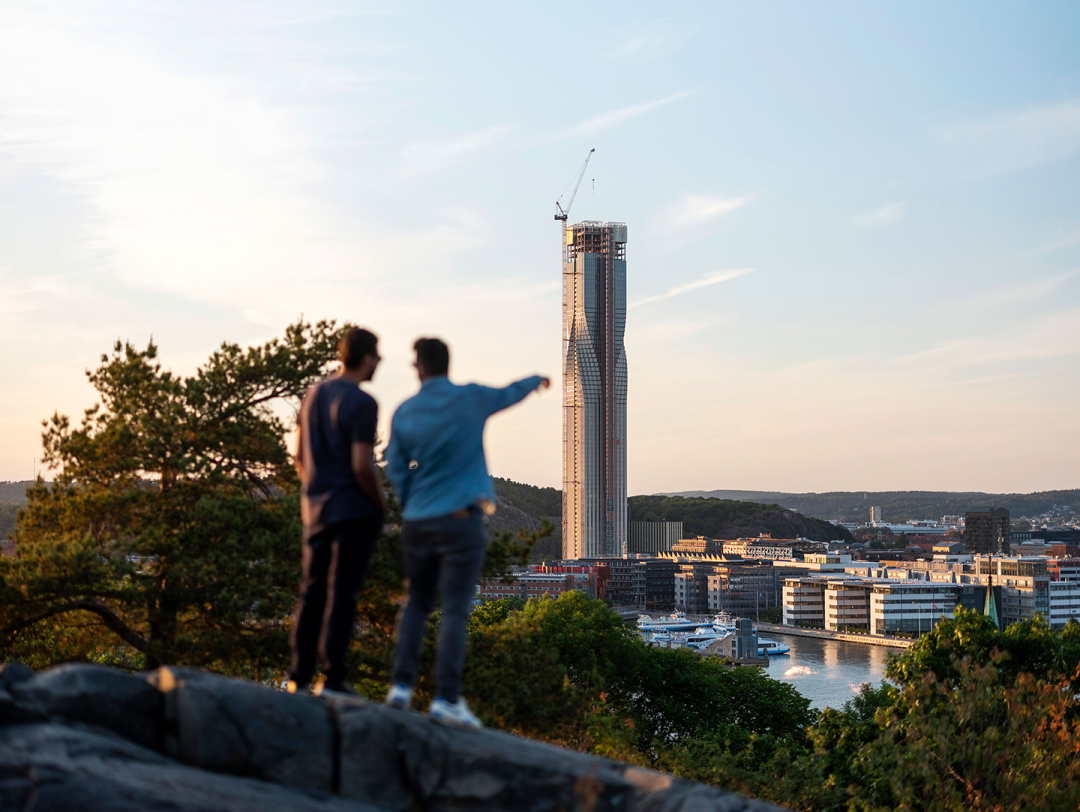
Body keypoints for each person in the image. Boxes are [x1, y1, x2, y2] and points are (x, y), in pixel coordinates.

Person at [383, 337, 549, 727]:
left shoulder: (405, 411)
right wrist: (536, 380)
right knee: (456, 607)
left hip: (418, 521)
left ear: (418, 368)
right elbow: (509, 392)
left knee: (416, 602)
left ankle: (400, 688)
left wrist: (412, 502)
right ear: (446, 364)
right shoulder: (470, 399)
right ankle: (446, 698)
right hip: (459, 521)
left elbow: (393, 466)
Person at [287, 327, 386, 696]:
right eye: (377, 354)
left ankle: (297, 675)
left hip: (315, 510)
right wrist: (379, 503)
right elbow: (362, 465)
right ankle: (332, 677)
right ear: (365, 357)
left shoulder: (313, 394)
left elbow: (299, 457)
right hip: (351, 511)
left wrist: (313, 491)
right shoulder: (362, 403)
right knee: (342, 591)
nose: (380, 361)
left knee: (311, 592)